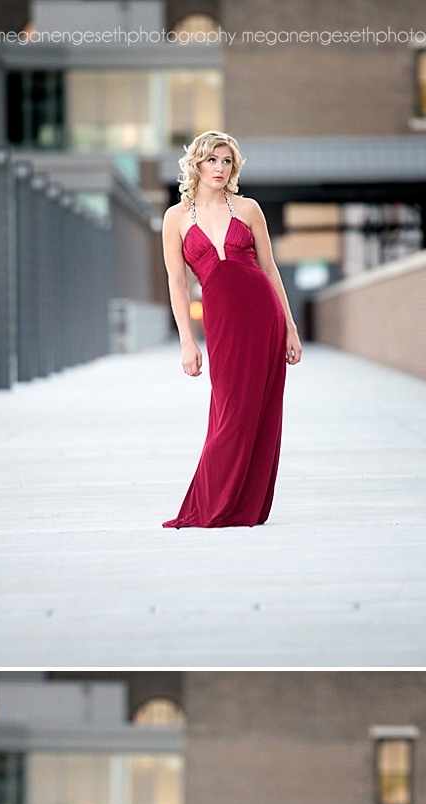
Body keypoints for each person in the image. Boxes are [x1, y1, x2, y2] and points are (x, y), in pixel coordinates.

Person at [161, 131, 302, 529]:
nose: (220, 168)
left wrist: (290, 328)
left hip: (263, 317)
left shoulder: (249, 209)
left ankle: (244, 505)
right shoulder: (175, 217)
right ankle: (216, 503)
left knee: (260, 413)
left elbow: (269, 269)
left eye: (227, 161)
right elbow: (177, 282)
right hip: (222, 322)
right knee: (230, 412)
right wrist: (187, 342)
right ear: (197, 165)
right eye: (212, 160)